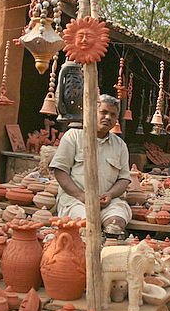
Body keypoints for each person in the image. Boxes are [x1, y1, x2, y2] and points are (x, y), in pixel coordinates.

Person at [50, 94, 132, 237]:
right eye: (103, 112)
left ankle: (109, 246)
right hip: (76, 200)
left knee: (116, 224)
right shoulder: (73, 136)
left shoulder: (120, 145)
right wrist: (82, 195)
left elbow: (124, 179)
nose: (108, 117)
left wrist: (110, 194)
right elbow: (60, 170)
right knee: (87, 225)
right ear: (93, 112)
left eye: (113, 115)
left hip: (107, 201)